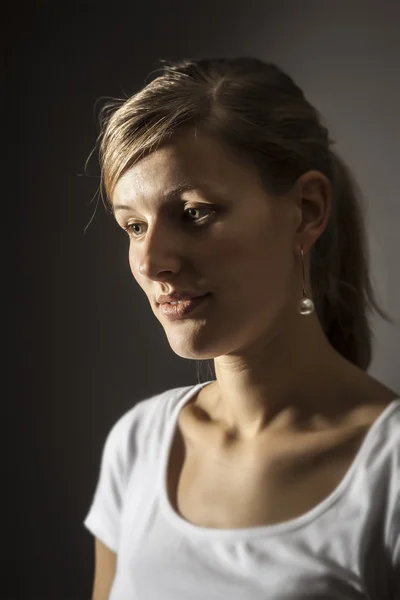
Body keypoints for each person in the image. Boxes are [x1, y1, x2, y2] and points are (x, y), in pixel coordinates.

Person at [83, 57, 399, 600]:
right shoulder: (138, 445)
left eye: (195, 213)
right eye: (134, 225)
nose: (152, 259)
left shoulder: (388, 474)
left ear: (306, 209)